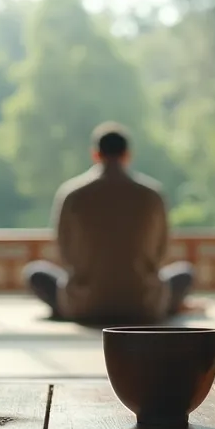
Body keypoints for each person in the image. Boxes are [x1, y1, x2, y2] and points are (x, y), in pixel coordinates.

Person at [22, 122, 195, 323]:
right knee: (185, 274)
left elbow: (64, 252)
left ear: (95, 154)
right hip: (143, 305)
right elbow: (160, 252)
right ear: (127, 155)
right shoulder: (151, 194)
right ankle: (168, 307)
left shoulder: (72, 194)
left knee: (36, 273)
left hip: (84, 304)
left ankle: (68, 310)